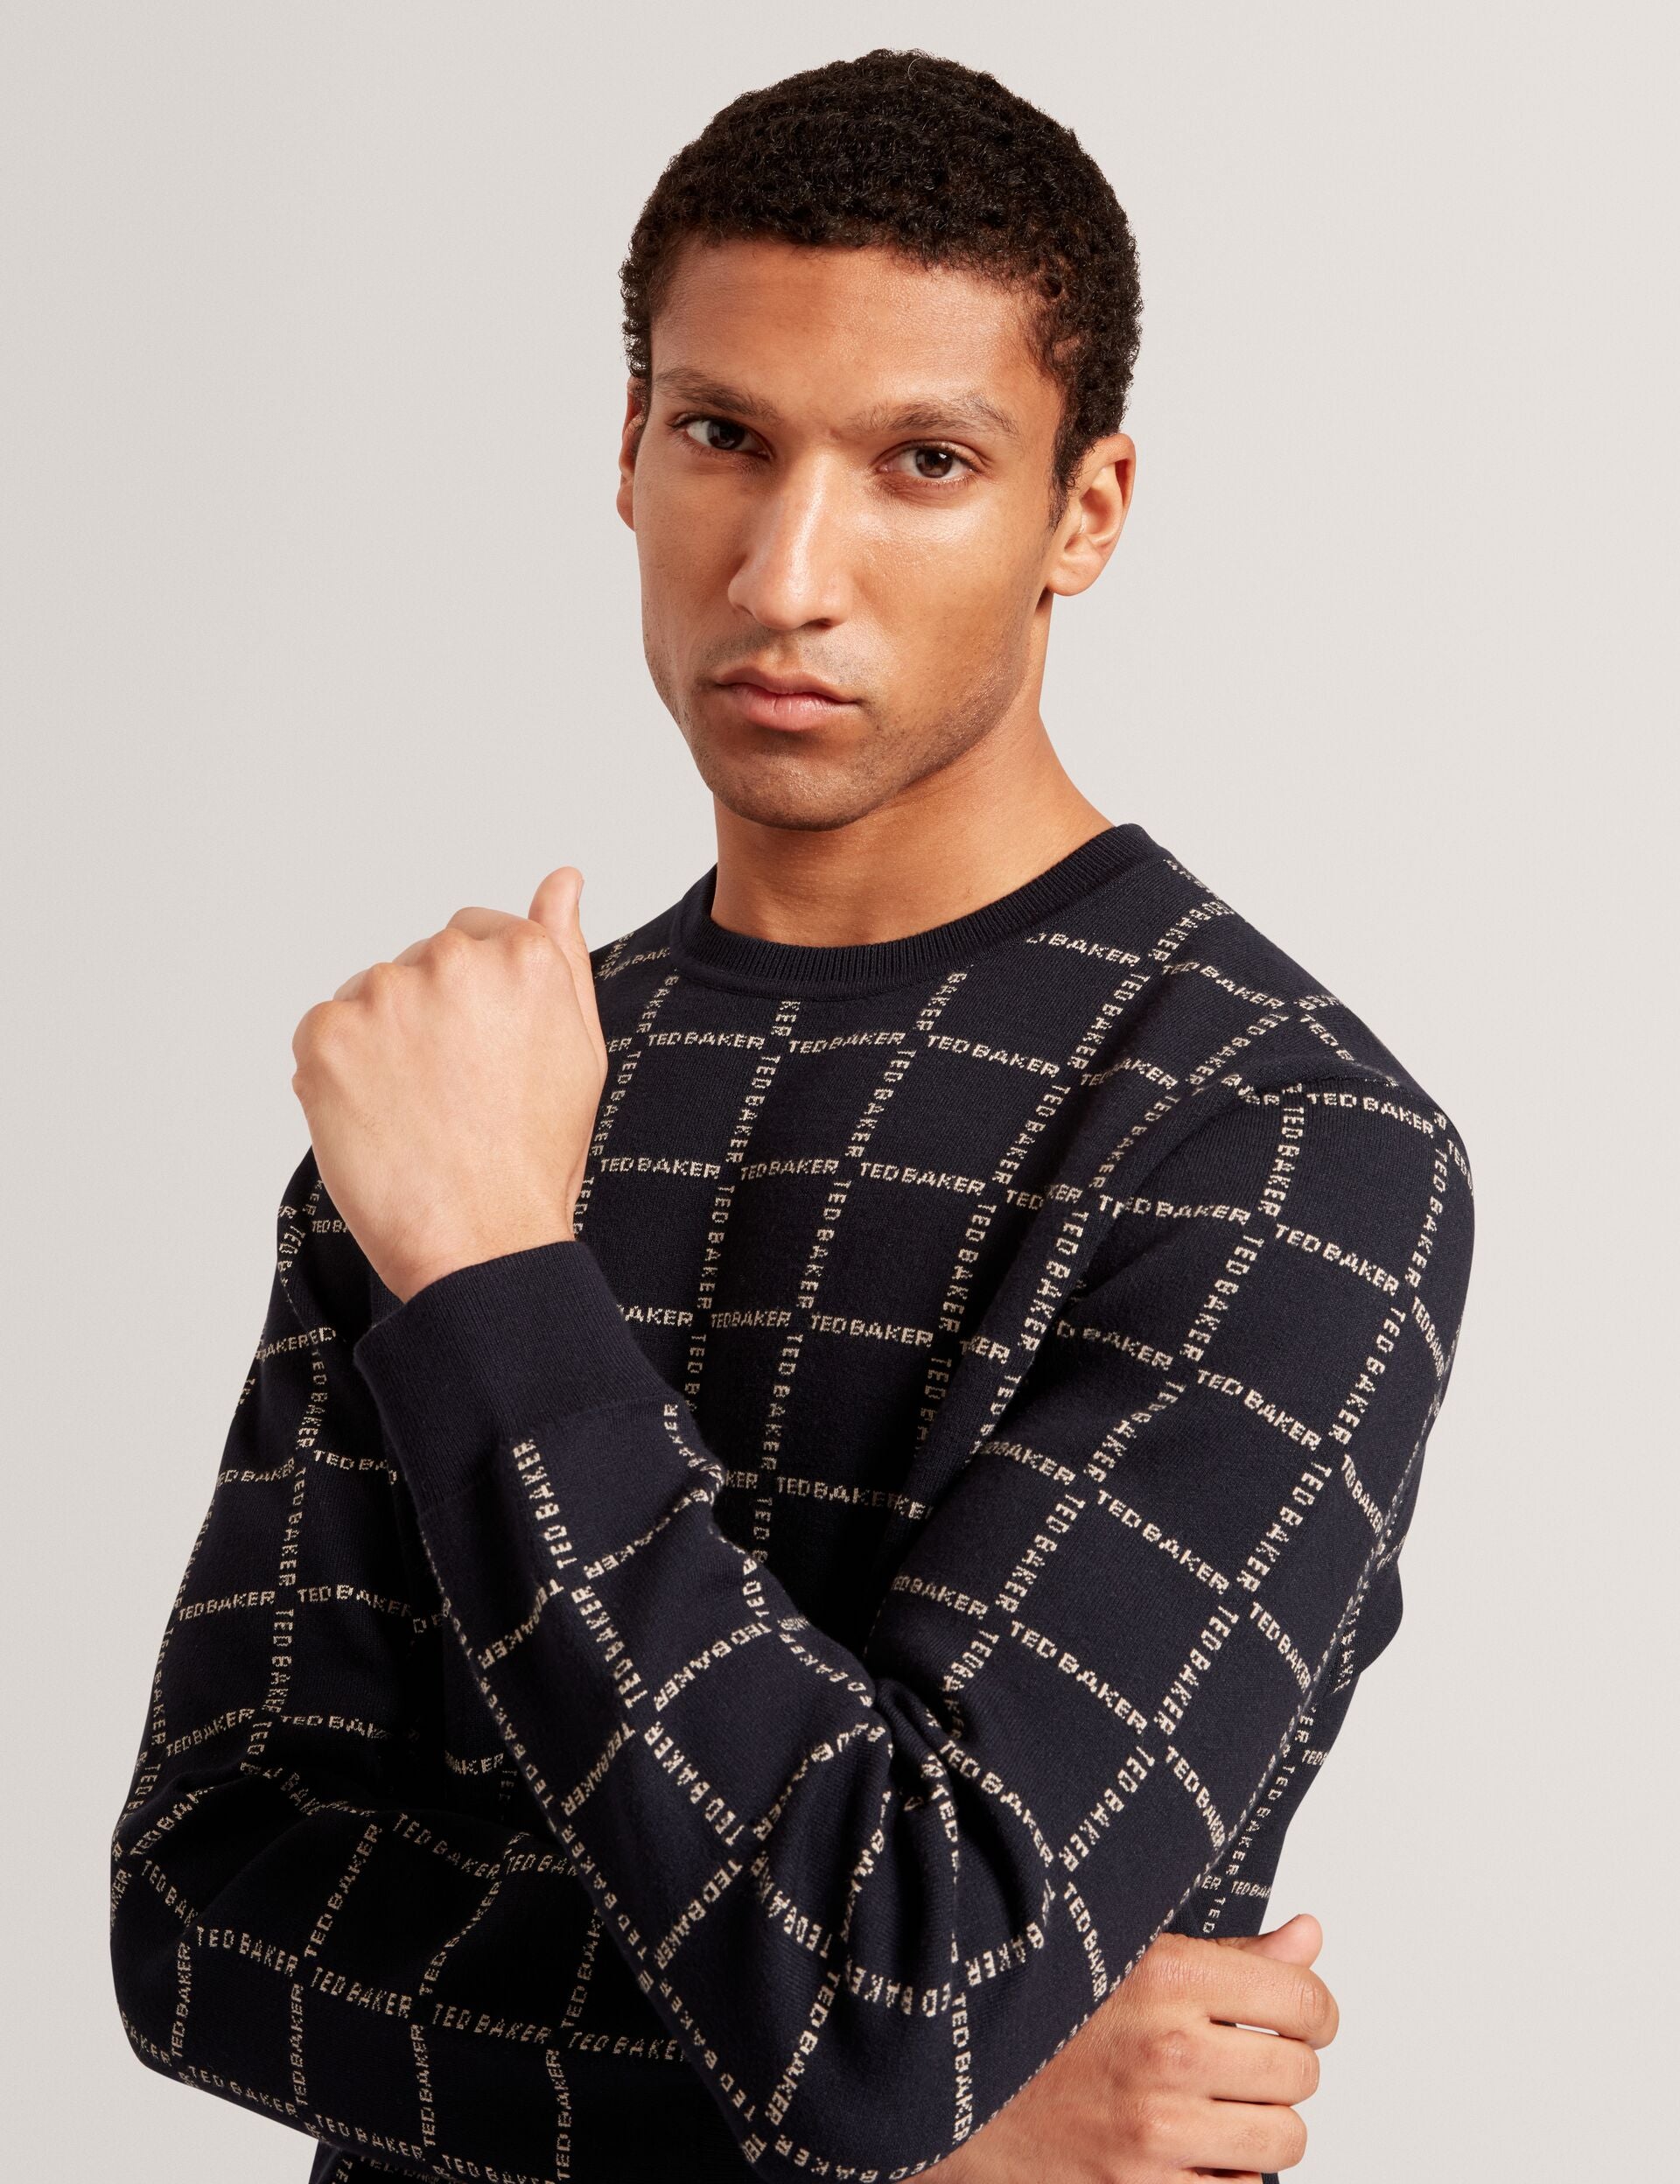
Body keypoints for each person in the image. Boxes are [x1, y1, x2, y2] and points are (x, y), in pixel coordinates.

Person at [109, 47, 1473, 2184]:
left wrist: (495, 1281)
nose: (783, 572)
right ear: (628, 448)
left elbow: (893, 1986)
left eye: (924, 461)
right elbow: (206, 1919)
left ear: (1085, 511)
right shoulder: (480, 1092)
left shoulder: (1280, 1141)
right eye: (723, 435)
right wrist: (955, 2124)